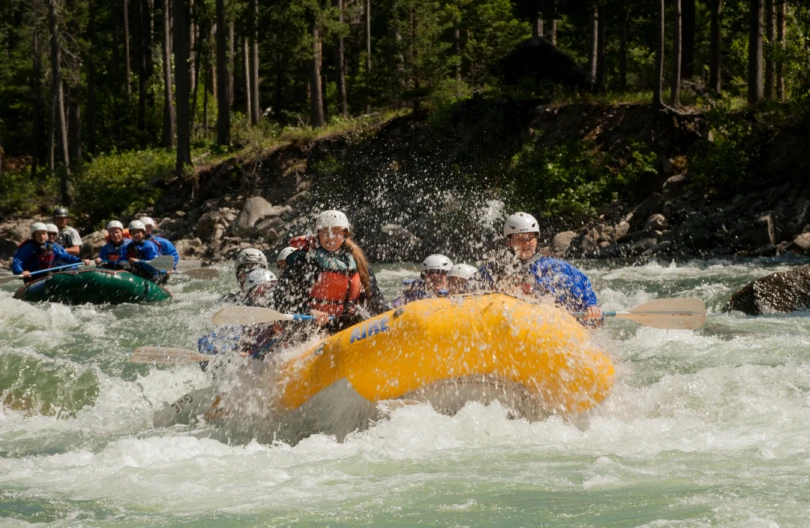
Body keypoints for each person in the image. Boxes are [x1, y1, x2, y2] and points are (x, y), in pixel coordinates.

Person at [271, 210, 386, 334]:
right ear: (318, 234)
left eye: (336, 232)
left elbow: (374, 298)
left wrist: (389, 314)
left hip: (346, 324)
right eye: (325, 232)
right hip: (313, 329)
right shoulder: (306, 261)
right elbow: (282, 298)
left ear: (345, 234)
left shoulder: (357, 262)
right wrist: (309, 312)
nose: (331, 237)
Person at [477, 212, 603, 326]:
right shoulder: (496, 267)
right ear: (509, 241)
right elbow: (473, 286)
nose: (526, 243)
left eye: (530, 238)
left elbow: (582, 282)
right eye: (520, 238)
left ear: (536, 240)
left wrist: (591, 305)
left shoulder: (553, 266)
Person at [11, 222, 90, 283]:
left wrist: (80, 260)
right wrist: (21, 272)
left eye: (44, 233)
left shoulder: (53, 246)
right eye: (38, 234)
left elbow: (65, 256)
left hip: (48, 276)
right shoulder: (27, 247)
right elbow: (17, 262)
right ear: (34, 235)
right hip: (33, 279)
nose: (42, 236)